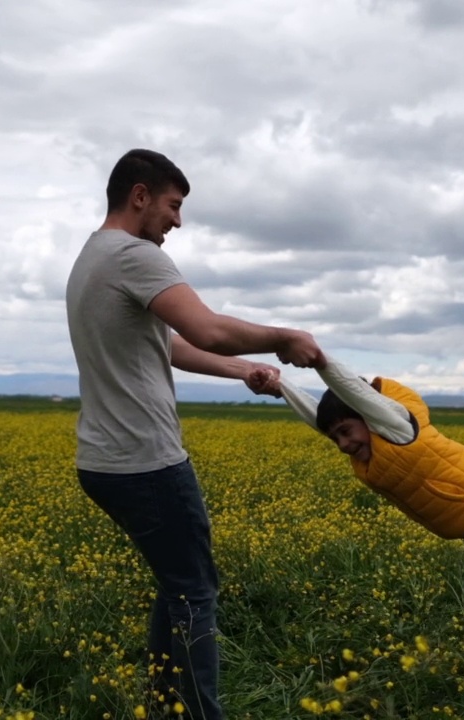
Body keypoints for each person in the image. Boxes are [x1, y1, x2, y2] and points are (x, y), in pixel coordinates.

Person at [65, 148, 322, 719]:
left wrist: (243, 371)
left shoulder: (94, 255)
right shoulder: (135, 255)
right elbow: (205, 326)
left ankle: (164, 708)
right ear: (140, 195)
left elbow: (175, 346)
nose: (177, 221)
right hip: (147, 461)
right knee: (195, 592)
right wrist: (281, 337)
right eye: (173, 206)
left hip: (104, 460)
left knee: (178, 584)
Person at [262, 355, 464, 651]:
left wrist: (319, 360)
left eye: (346, 431)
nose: (344, 444)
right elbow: (317, 419)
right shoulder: (369, 450)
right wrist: (282, 387)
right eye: (336, 439)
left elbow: (352, 390)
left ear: (369, 416)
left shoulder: (396, 427)